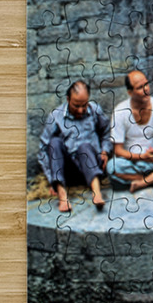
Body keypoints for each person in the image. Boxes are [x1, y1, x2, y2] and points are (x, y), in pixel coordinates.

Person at [37, 80, 111, 213]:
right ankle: (62, 196)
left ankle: (97, 193)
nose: (81, 110)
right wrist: (51, 179)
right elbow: (43, 150)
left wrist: (105, 151)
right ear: (68, 99)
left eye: (84, 105)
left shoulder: (95, 110)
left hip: (93, 166)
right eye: (76, 105)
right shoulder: (56, 116)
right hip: (70, 171)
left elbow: (106, 132)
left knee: (84, 147)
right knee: (54, 142)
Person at [105, 69, 153, 192]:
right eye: (140, 87)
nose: (146, 89)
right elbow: (118, 150)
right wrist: (141, 157)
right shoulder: (120, 111)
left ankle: (144, 180)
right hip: (132, 163)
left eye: (146, 84)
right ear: (130, 92)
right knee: (112, 167)